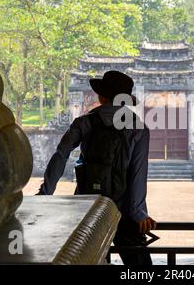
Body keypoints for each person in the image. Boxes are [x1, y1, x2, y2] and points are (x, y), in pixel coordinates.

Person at [37, 70, 156, 265]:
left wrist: (45, 192)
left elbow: (61, 155)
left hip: (87, 206)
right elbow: (138, 173)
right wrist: (137, 212)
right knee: (141, 269)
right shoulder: (138, 127)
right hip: (123, 209)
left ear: (101, 97)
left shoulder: (85, 122)